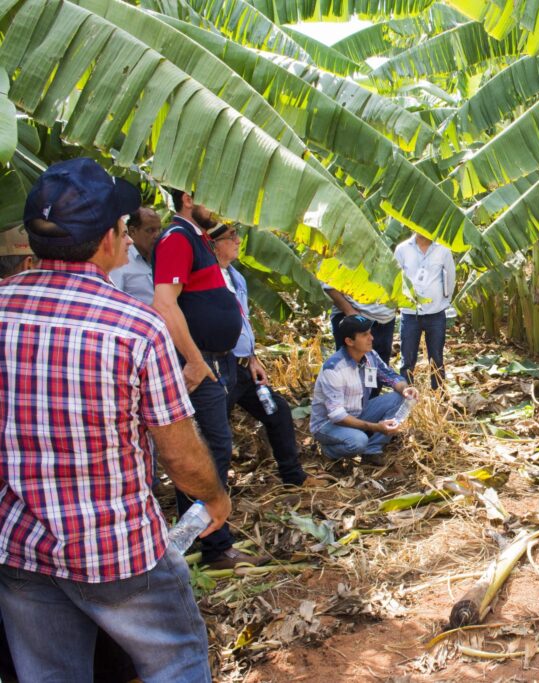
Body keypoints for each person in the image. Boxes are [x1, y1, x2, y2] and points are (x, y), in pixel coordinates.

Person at [0, 158, 232, 682]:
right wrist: (214, 498)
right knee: (175, 663)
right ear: (107, 238)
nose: (130, 241)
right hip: (117, 550)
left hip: (20, 547)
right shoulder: (133, 328)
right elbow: (178, 452)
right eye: (125, 230)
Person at [151, 189, 270, 570]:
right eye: (209, 196)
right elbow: (165, 304)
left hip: (214, 362)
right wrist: (195, 361)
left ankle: (202, 542)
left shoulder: (198, 239)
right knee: (206, 451)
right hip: (197, 364)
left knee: (216, 449)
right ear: (188, 198)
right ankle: (207, 545)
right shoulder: (176, 239)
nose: (217, 206)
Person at [209, 223, 326, 488]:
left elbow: (243, 321)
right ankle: (216, 491)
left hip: (241, 365)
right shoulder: (207, 278)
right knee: (216, 432)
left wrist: (251, 357)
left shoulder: (234, 276)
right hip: (220, 365)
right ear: (214, 244)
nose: (238, 241)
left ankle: (293, 476)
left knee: (278, 411)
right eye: (231, 237)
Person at [311, 315, 419, 466]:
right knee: (358, 441)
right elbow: (337, 416)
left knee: (400, 397)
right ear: (349, 341)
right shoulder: (334, 369)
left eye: (370, 332)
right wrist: (376, 427)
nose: (371, 338)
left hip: (357, 412)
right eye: (364, 335)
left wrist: (406, 389)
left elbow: (391, 377)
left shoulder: (370, 356)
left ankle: (372, 450)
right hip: (328, 424)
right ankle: (328, 450)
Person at [394, 232, 456, 389]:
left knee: (437, 358)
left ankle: (438, 398)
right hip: (410, 313)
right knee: (407, 360)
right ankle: (406, 400)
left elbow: (450, 278)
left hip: (436, 314)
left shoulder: (443, 250)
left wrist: (444, 302)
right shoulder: (402, 250)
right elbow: (395, 278)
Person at [324, 285, 397, 363]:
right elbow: (326, 284)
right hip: (353, 314)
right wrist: (349, 311)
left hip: (386, 318)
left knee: (379, 366)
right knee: (349, 366)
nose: (371, 338)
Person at [109, 207, 162, 304]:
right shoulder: (121, 261)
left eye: (159, 230)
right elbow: (113, 301)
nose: (157, 235)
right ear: (132, 231)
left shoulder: (160, 257)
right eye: (150, 230)